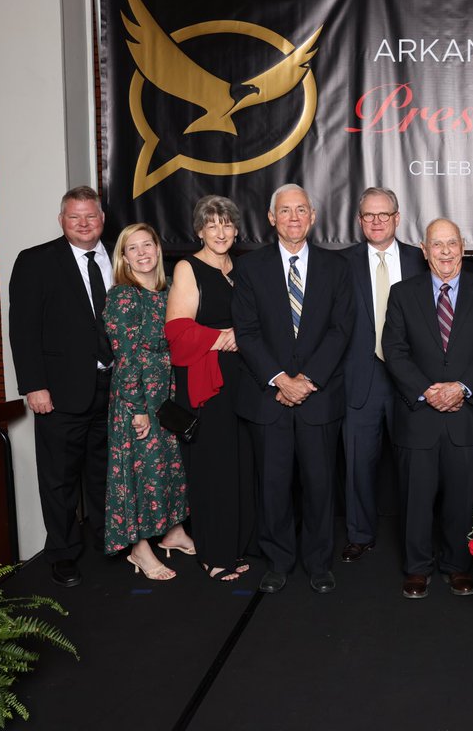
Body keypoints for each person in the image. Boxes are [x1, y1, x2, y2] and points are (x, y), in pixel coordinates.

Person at [232, 184, 353, 595]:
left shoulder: (337, 268)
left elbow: (341, 330)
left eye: (301, 210)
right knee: (274, 485)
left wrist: (307, 381)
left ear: (313, 216)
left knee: (320, 485)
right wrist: (281, 380)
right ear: (271, 218)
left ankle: (319, 563)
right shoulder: (250, 268)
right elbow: (246, 333)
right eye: (285, 211)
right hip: (270, 398)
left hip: (319, 398)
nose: (294, 218)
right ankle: (279, 561)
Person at [381, 218, 473, 600]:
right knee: (415, 497)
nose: (446, 251)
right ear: (424, 249)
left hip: (466, 415)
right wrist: (426, 390)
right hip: (419, 414)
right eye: (438, 245)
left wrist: (461, 389)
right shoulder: (403, 293)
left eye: (452, 243)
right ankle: (417, 568)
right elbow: (394, 350)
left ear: (463, 247)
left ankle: (457, 565)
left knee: (461, 496)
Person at [9, 186, 113, 587]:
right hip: (60, 392)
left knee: (106, 472)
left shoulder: (119, 256)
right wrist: (34, 386)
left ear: (101, 219)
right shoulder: (36, 261)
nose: (84, 224)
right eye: (75, 217)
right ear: (62, 221)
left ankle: (110, 540)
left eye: (91, 216)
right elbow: (23, 330)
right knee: (59, 478)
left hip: (113, 387)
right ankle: (64, 552)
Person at [164, 195, 254, 581]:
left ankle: (238, 545)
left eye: (227, 224)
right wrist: (223, 337)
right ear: (199, 230)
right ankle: (212, 553)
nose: (220, 231)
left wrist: (244, 336)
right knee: (212, 466)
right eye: (212, 224)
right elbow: (176, 329)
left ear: (236, 230)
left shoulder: (242, 268)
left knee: (241, 463)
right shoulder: (189, 267)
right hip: (208, 377)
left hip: (243, 377)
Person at [340, 187, 427, 563]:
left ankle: (417, 536)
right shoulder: (340, 264)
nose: (377, 222)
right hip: (362, 376)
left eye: (383, 215)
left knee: (415, 462)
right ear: (360, 221)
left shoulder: (420, 259)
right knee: (358, 462)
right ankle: (360, 534)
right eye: (369, 216)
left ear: (397, 218)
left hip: (411, 377)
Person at [103, 222, 191, 581]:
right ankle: (138, 548)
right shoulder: (124, 296)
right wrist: (137, 409)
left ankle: (172, 531)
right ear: (123, 258)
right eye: (133, 248)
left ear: (158, 248)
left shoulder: (167, 291)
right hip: (136, 396)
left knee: (167, 466)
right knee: (138, 471)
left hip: (165, 393)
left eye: (147, 245)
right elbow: (124, 357)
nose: (142, 253)